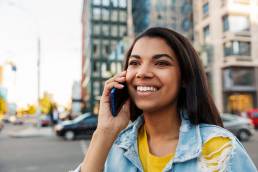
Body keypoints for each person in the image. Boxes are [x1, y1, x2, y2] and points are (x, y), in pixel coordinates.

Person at [72, 27, 257, 172]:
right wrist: (104, 132)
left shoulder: (220, 149)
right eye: (135, 63)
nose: (143, 73)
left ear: (184, 77)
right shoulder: (115, 147)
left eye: (161, 63)